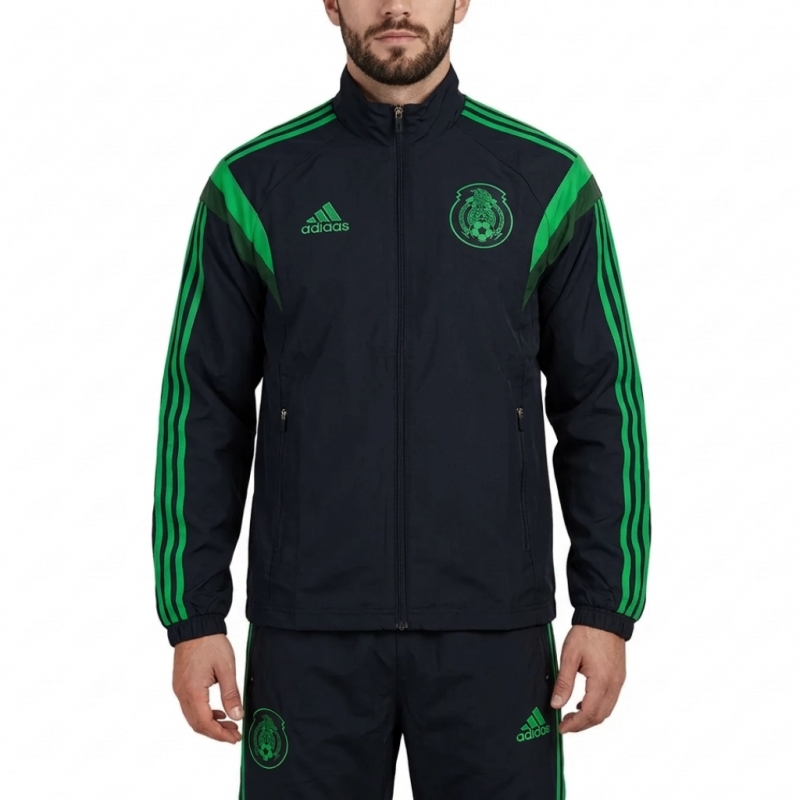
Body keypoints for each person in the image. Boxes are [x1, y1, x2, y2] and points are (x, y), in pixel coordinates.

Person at [150, 1, 651, 797]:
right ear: (330, 4)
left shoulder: (547, 182)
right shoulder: (253, 186)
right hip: (309, 632)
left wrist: (606, 607)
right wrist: (194, 615)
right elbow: (202, 406)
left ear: (461, 2)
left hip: (493, 628)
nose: (396, 6)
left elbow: (602, 404)